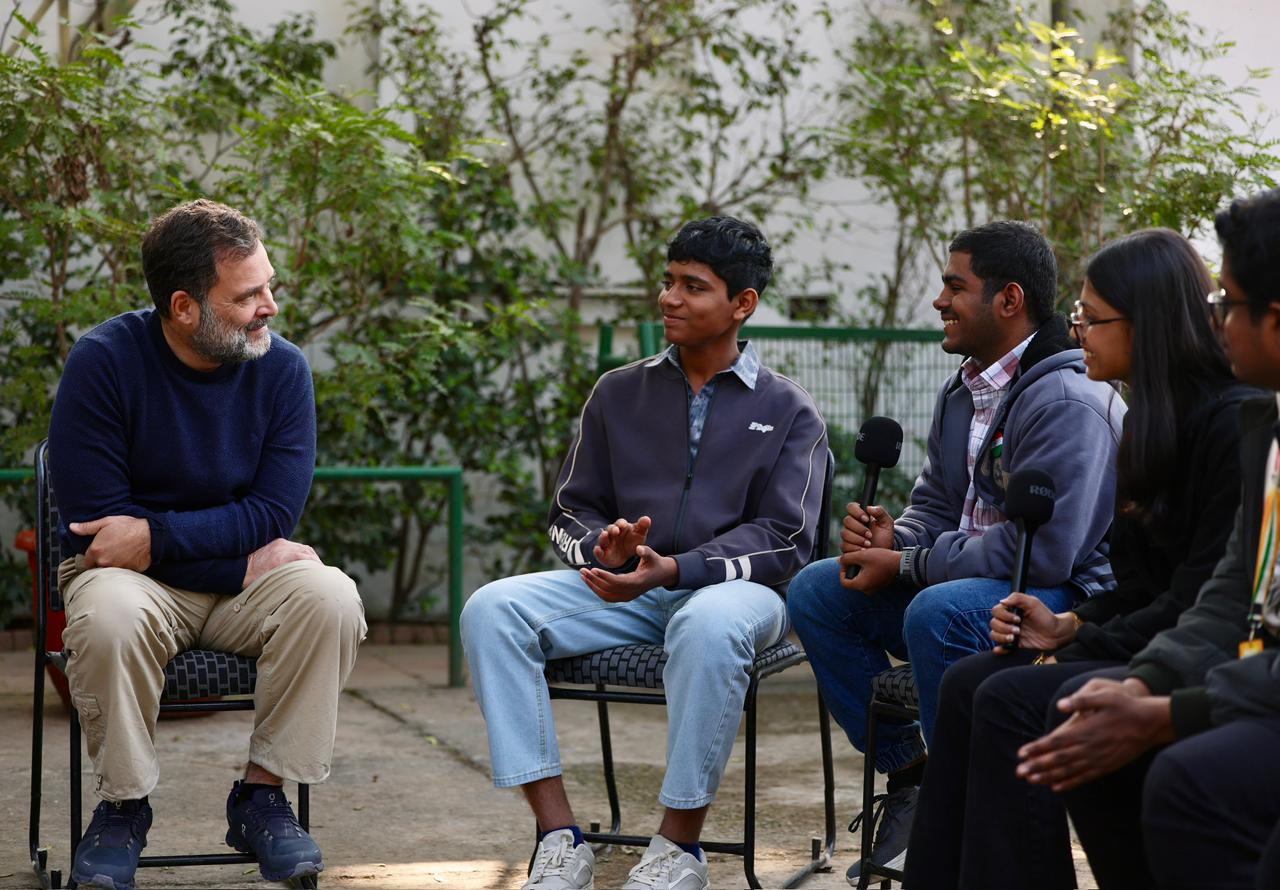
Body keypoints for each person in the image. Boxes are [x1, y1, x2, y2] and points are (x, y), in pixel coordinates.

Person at [460, 217, 827, 890]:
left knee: (707, 623)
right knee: (491, 609)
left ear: (743, 304)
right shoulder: (617, 392)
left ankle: (677, 848)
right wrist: (603, 548)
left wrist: (680, 569)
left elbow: (786, 538)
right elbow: (569, 510)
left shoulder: (788, 409)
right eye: (668, 281)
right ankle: (559, 838)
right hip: (626, 589)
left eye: (694, 286)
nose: (669, 298)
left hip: (738, 597)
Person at [902, 228, 1256, 889]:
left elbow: (1202, 600)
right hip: (1153, 634)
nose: (1076, 332)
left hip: (1202, 654)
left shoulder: (1231, 425)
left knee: (1015, 697)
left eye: (1092, 319)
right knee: (969, 682)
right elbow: (1141, 585)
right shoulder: (1150, 419)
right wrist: (1068, 625)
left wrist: (1085, 639)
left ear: (1146, 325)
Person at [786, 220, 1126, 883]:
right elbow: (939, 506)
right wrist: (895, 538)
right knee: (818, 591)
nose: (940, 301)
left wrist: (909, 563)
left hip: (1059, 595)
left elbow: (1046, 552)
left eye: (954, 286)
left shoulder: (1068, 399)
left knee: (937, 614)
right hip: (967, 581)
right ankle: (915, 781)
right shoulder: (964, 389)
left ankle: (966, 816)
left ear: (1009, 299)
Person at [48, 199, 367, 890]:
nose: (269, 307)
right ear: (184, 307)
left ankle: (262, 797)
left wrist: (157, 535)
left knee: (330, 596)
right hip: (135, 585)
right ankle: (123, 808)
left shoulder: (282, 370)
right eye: (247, 295)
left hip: (229, 587)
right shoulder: (104, 362)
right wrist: (239, 557)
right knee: (107, 614)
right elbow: (100, 531)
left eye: (269, 286)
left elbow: (275, 511)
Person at [1015, 189, 1280, 890]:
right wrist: (1138, 682)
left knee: (1186, 779)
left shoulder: (1234, 423)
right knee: (1082, 715)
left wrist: (1164, 710)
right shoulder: (1267, 430)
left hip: (1250, 687)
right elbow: (1229, 591)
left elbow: (1200, 599)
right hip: (1233, 673)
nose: (1216, 320)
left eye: (1228, 302)